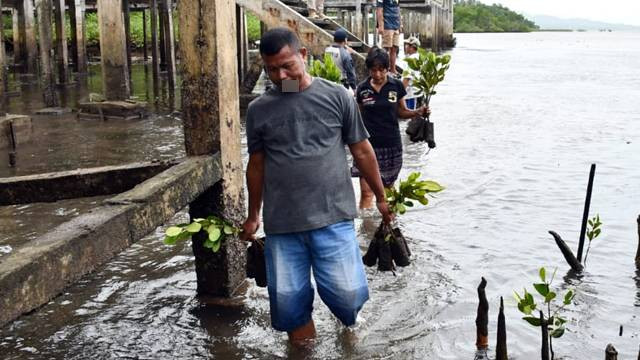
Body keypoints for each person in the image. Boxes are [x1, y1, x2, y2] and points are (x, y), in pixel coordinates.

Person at [241, 28, 393, 345]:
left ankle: (350, 336)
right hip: (283, 225)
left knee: (348, 296)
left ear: (304, 56)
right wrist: (253, 215)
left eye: (287, 66)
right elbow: (256, 165)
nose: (280, 75)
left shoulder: (337, 96)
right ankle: (304, 347)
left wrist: (381, 196)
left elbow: (362, 150)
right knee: (291, 307)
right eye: (271, 69)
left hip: (333, 216)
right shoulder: (259, 110)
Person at [352, 47, 429, 209]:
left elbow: (401, 112)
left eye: (382, 70)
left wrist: (417, 112)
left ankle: (388, 226)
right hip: (367, 146)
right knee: (366, 192)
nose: (378, 75)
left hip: (391, 145)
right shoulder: (362, 89)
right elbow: (356, 116)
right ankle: (365, 231)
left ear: (388, 68)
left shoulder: (396, 86)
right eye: (374, 70)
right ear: (369, 70)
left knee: (388, 191)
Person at [325, 28, 357, 93]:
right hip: (342, 84)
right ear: (345, 40)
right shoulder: (344, 53)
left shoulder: (327, 50)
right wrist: (354, 87)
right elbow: (350, 72)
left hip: (329, 82)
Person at [376, 0, 402, 75]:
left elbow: (398, 9)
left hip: (396, 25)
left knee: (394, 48)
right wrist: (381, 25)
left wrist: (400, 24)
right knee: (385, 49)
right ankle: (384, 69)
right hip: (387, 25)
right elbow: (379, 10)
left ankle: (393, 69)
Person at [400, 36, 421, 110]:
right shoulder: (419, 57)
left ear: (412, 47)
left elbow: (407, 78)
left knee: (409, 113)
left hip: (410, 94)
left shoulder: (411, 60)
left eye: (407, 45)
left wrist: (400, 93)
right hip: (417, 92)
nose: (405, 46)